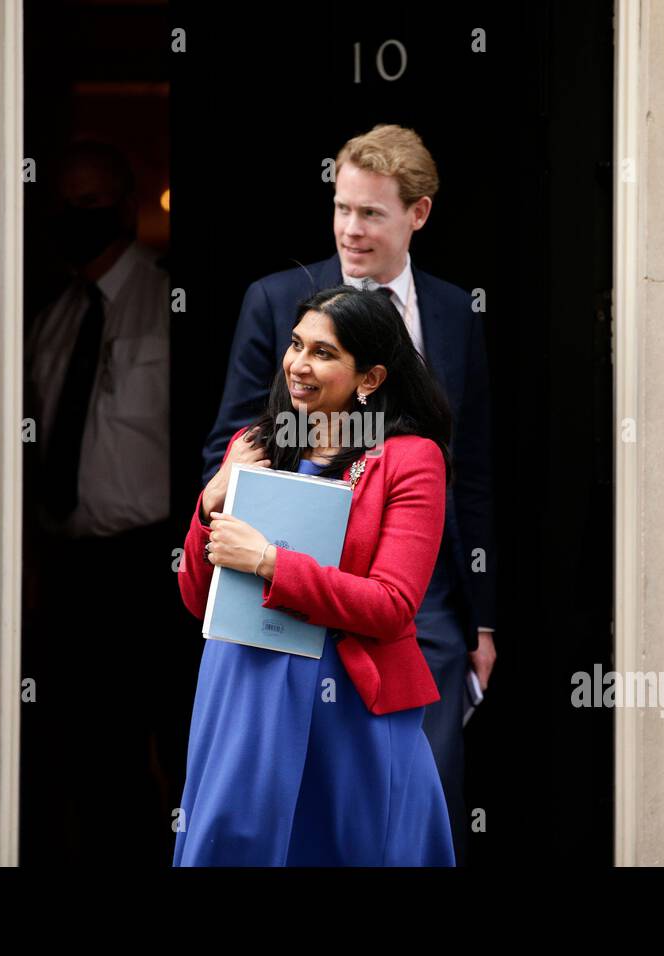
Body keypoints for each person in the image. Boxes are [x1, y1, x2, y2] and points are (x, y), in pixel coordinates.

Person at [200, 124, 495, 863]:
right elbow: (240, 442)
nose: (350, 229)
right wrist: (237, 524)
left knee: (404, 805)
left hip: (421, 597)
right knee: (288, 815)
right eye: (342, 208)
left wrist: (481, 619)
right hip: (292, 583)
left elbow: (474, 468)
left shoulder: (455, 311)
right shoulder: (279, 300)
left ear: (417, 215)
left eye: (370, 213)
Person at [174, 286, 455, 866]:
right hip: (246, 694)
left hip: (348, 704)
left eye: (324, 353)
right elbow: (200, 598)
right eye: (297, 344)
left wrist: (270, 562)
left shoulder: (410, 458)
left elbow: (391, 605)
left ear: (370, 379)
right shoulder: (252, 446)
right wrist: (210, 504)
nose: (299, 365)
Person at [21, 140, 171, 864]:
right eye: (66, 206)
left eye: (92, 205)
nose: (77, 219)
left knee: (155, 740)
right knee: (77, 752)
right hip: (68, 568)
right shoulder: (48, 321)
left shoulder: (170, 301)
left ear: (126, 205)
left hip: (150, 563)